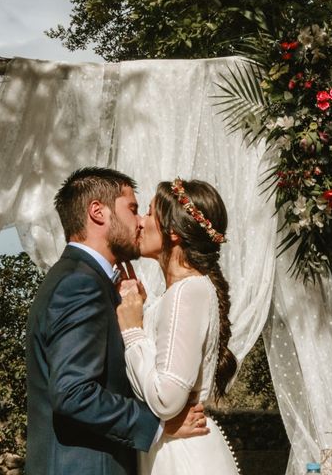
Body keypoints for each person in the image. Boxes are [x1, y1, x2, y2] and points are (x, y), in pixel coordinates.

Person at [26, 167, 208, 475]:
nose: (140, 222)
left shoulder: (83, 279)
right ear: (98, 212)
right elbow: (73, 393)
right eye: (133, 209)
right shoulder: (79, 285)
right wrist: (158, 425)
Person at [117, 178, 240, 474]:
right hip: (170, 450)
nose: (140, 222)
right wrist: (144, 314)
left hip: (183, 458)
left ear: (173, 231)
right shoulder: (179, 293)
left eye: (148, 213)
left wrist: (133, 332)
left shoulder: (188, 291)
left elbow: (166, 398)